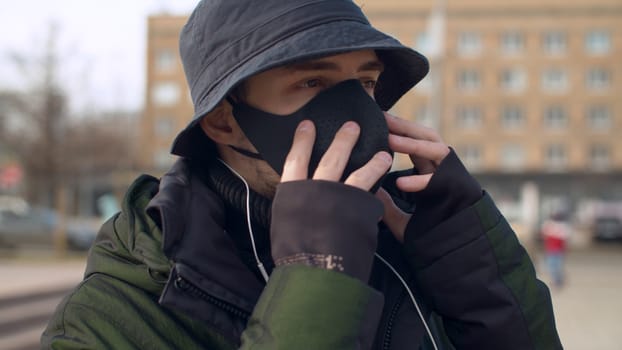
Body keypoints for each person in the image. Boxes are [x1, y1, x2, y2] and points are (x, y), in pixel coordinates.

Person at [42, 1, 563, 349]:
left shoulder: (405, 247)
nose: (356, 112)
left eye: (365, 82)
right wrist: (317, 278)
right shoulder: (111, 316)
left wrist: (471, 263)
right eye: (313, 81)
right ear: (224, 120)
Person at [541, 213, 571, 289]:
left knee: (557, 266)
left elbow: (564, 239)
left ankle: (558, 281)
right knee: (552, 267)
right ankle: (556, 281)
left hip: (557, 250)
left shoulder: (560, 226)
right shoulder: (551, 225)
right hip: (551, 250)